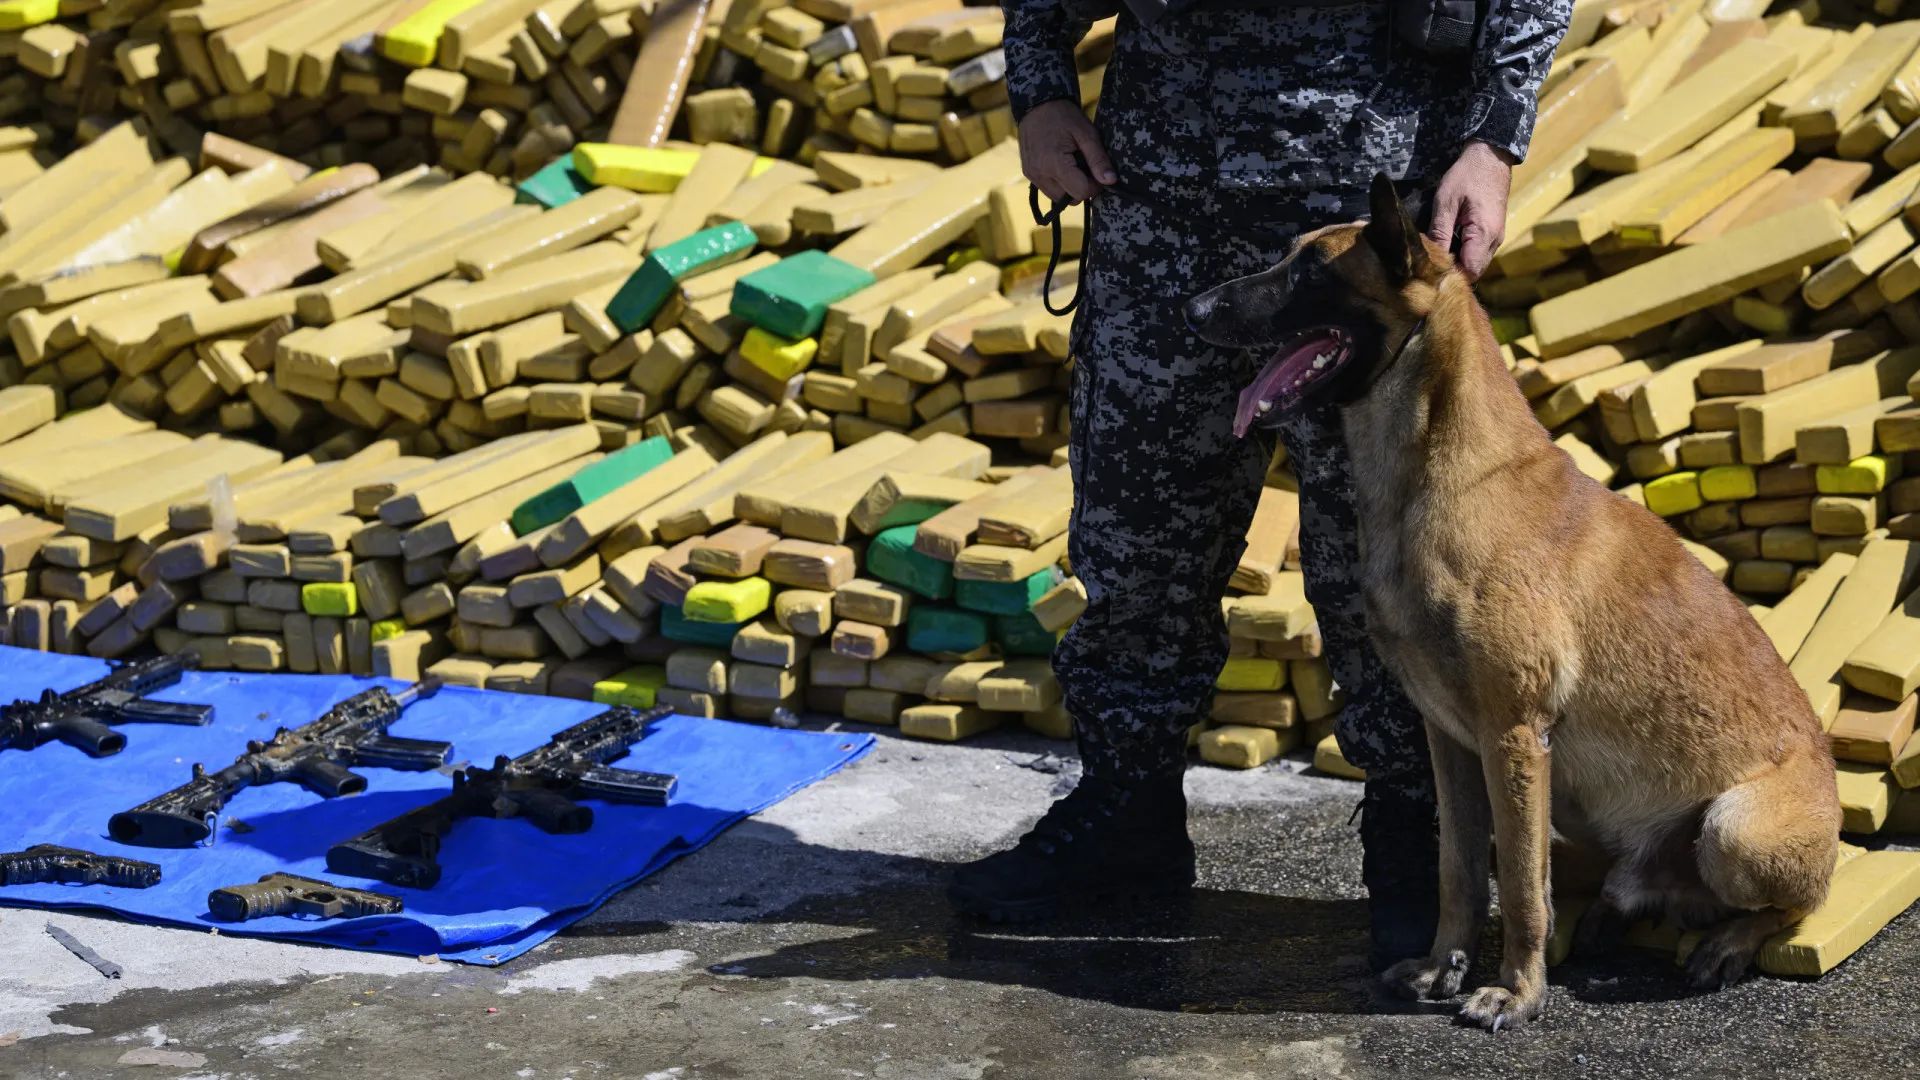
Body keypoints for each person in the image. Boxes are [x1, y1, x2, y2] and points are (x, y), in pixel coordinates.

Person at [948, 0, 1572, 971]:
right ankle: (1127, 816)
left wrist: (1496, 138)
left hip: (1362, 225)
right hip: (1158, 199)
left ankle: (1420, 851)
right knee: (1134, 542)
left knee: (1393, 571)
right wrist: (1039, 92)